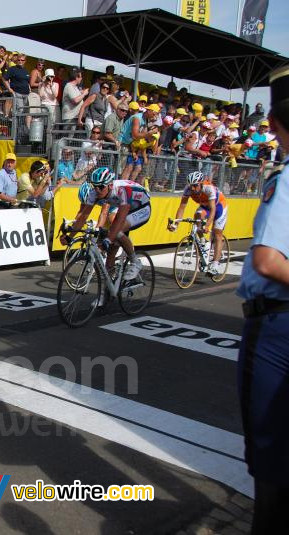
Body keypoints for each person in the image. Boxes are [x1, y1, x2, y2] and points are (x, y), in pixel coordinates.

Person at [236, 65, 289, 534]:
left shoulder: (285, 179)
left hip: (274, 325)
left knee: (270, 459)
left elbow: (269, 260)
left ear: (274, 125)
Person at [61, 167, 151, 287]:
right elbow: (83, 217)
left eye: (101, 187)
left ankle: (135, 261)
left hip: (141, 208)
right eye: (95, 186)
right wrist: (70, 237)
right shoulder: (94, 193)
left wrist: (108, 239)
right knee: (110, 255)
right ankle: (107, 293)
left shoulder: (121, 190)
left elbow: (119, 219)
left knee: (116, 232)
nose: (97, 190)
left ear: (109, 185)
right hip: (125, 208)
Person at [168, 171, 228, 275]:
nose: (193, 189)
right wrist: (176, 224)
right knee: (197, 216)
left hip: (219, 206)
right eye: (191, 186)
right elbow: (182, 207)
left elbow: (213, 209)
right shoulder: (188, 190)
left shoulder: (208, 188)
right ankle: (204, 242)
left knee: (217, 233)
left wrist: (208, 225)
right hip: (205, 206)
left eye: (195, 186)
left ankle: (215, 264)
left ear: (201, 183)